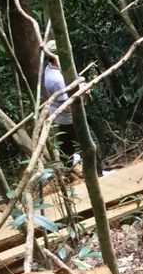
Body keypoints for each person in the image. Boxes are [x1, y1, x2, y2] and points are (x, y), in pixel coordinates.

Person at [43, 40, 105, 176]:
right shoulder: (56, 79)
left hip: (62, 119)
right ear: (55, 56)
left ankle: (68, 171)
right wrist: (82, 91)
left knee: (67, 146)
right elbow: (68, 106)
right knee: (91, 143)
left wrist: (80, 85)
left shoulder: (57, 67)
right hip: (69, 117)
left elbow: (74, 80)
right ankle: (99, 172)